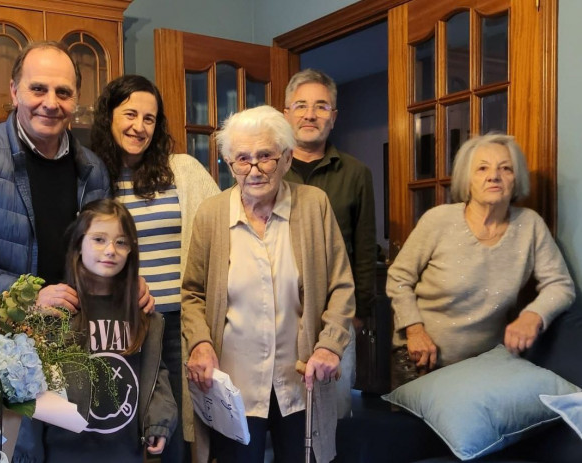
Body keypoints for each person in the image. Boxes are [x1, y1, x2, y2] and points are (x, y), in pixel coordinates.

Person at [182, 105, 355, 463]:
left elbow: (342, 286)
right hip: (235, 385)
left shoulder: (314, 206)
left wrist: (330, 345)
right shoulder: (212, 215)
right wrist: (199, 342)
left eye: (265, 157)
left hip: (299, 381)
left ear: (287, 159)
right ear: (229, 164)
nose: (255, 169)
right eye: (242, 159)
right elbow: (193, 292)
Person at [0, 41, 151, 313]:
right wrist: (28, 296)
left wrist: (127, 282)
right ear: (14, 91)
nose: (51, 103)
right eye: (38, 89)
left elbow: (103, 252)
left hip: (75, 335)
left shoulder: (93, 170)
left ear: (76, 99)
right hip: (2, 338)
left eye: (63, 92)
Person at [90, 74, 220, 462]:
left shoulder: (181, 169)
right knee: (125, 422)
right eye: (130, 114)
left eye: (150, 118)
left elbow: (218, 228)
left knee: (176, 430)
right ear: (109, 117)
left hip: (179, 321)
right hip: (123, 321)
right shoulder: (93, 174)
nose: (139, 126)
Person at [386, 133, 575, 385]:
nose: (494, 175)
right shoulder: (438, 220)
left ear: (516, 178)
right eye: (482, 168)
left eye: (505, 168)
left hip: (485, 364)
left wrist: (533, 316)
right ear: (468, 179)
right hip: (422, 358)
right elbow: (399, 277)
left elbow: (561, 285)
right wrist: (414, 329)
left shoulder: (530, 225)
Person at [13, 199, 177, 462]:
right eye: (99, 239)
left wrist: (159, 422)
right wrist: (28, 453)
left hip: (123, 453)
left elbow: (155, 373)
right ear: (79, 244)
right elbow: (31, 389)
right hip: (64, 452)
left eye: (121, 242)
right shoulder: (57, 313)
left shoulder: (143, 316)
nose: (111, 250)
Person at [283, 69, 376, 413]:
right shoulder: (270, 171)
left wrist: (359, 313)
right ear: (286, 114)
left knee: (334, 412)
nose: (310, 115)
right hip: (282, 313)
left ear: (333, 118)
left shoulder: (356, 173)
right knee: (286, 410)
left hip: (337, 315)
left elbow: (364, 248)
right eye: (302, 106)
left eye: (322, 107)